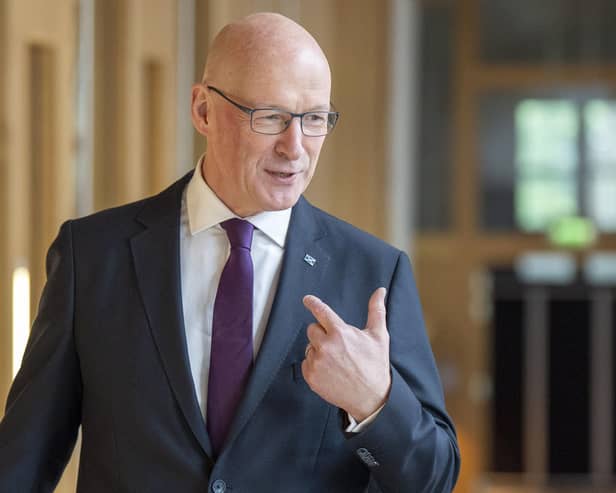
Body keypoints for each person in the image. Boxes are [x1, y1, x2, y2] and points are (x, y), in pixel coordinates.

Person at [0, 12, 460, 493]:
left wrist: (375, 405)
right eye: (272, 118)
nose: (295, 147)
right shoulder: (92, 256)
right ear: (202, 110)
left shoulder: (374, 273)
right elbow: (22, 462)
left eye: (315, 119)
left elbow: (434, 479)